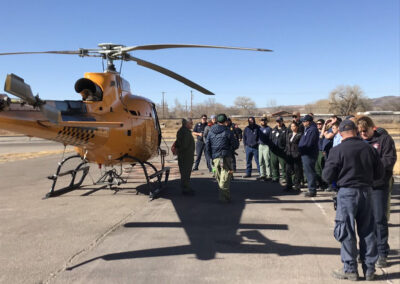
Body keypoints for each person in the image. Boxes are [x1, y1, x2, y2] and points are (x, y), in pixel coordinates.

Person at [323, 120, 383, 281]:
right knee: (368, 231)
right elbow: (379, 174)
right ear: (356, 131)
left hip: (347, 193)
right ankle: (369, 269)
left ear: (341, 133)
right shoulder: (369, 149)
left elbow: (327, 176)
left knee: (346, 231)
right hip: (367, 192)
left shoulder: (337, 150)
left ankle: (350, 269)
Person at [357, 116, 397, 268]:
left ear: (371, 127)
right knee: (364, 221)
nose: (363, 134)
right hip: (362, 186)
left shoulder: (384, 140)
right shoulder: (359, 142)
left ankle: (382, 253)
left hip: (378, 185)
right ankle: (366, 251)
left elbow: (389, 159)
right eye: (360, 132)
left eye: (365, 131)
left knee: (379, 219)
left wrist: (371, 168)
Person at [206, 113, 238, 203]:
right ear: (225, 121)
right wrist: (231, 149)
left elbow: (207, 145)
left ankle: (225, 197)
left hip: (215, 157)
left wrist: (209, 157)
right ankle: (224, 197)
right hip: (225, 156)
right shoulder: (228, 131)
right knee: (226, 175)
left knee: (218, 175)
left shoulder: (211, 131)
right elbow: (235, 144)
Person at [298, 114, 319, 197]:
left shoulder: (312, 130)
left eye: (304, 121)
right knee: (307, 171)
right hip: (305, 153)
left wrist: (302, 148)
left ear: (308, 122)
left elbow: (309, 143)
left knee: (310, 172)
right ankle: (311, 188)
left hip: (309, 153)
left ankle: (312, 190)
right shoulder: (307, 129)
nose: (303, 123)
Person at [175, 118, 195, 195]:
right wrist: (179, 150)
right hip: (186, 156)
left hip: (185, 156)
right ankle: (186, 189)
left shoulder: (183, 131)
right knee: (185, 173)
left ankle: (186, 188)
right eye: (191, 123)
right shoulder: (185, 132)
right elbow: (184, 145)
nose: (192, 124)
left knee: (185, 173)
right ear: (187, 124)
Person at [284, 122, 302, 191]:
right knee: (288, 170)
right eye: (291, 126)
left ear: (297, 127)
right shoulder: (289, 135)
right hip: (289, 155)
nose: (292, 127)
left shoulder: (300, 135)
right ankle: (289, 185)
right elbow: (287, 144)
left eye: (294, 126)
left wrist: (299, 153)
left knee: (297, 170)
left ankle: (297, 185)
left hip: (296, 155)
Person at [269, 117, 287, 183]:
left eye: (279, 121)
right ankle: (275, 177)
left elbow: (287, 141)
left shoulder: (285, 130)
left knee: (283, 165)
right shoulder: (273, 130)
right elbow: (270, 139)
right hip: (274, 150)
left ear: (282, 121)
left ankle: (284, 177)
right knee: (274, 164)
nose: (278, 123)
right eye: (277, 121)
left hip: (281, 150)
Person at [257, 116, 272, 181]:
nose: (263, 122)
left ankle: (269, 175)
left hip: (266, 146)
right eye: (262, 121)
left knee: (267, 161)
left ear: (266, 121)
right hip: (260, 145)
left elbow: (271, 138)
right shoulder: (259, 128)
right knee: (260, 161)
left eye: (264, 121)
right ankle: (262, 174)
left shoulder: (269, 129)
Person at [315, 119, 327, 190]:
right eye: (317, 124)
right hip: (316, 151)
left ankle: (324, 184)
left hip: (322, 151)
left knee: (322, 168)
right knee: (317, 169)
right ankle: (319, 184)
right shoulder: (315, 132)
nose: (318, 125)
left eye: (320, 124)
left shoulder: (325, 132)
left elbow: (322, 137)